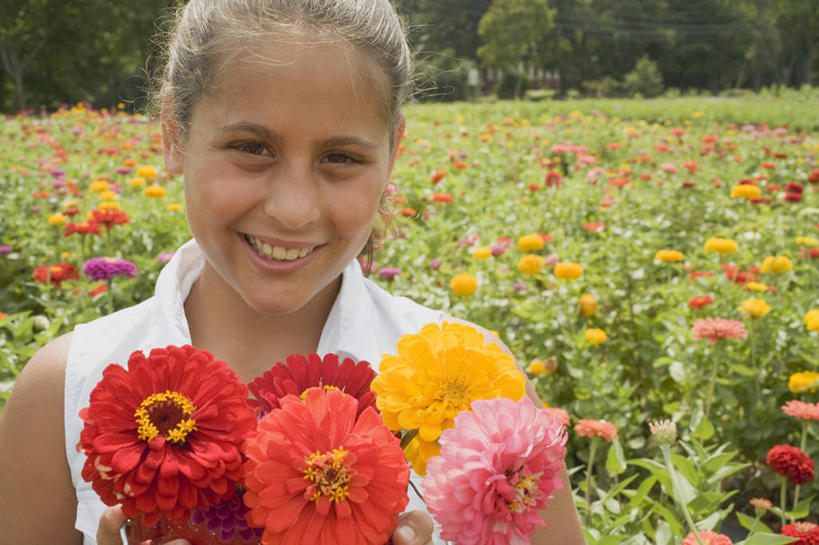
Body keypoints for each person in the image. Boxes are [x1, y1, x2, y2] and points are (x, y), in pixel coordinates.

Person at [0, 1, 586, 544]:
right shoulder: (64, 391)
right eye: (252, 147)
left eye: (341, 158)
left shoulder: (486, 396)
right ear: (174, 133)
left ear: (394, 151)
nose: (294, 208)